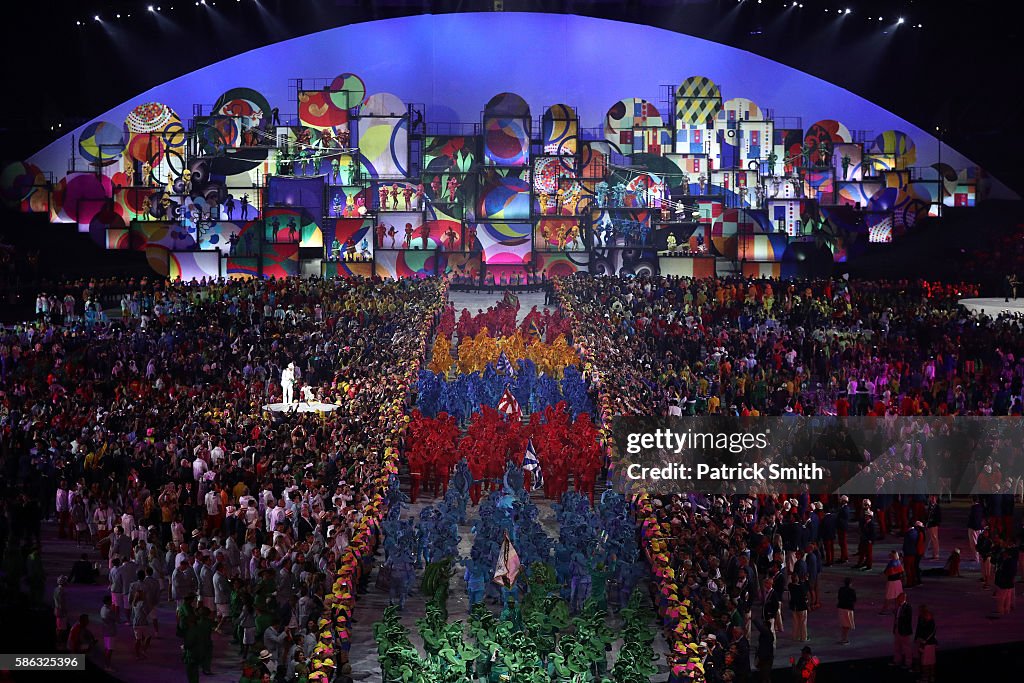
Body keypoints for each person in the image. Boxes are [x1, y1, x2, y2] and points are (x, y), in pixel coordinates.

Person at [914, 605, 937, 683]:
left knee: (926, 663)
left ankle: (925, 679)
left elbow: (929, 634)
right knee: (931, 662)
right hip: (930, 645)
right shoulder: (928, 622)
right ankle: (931, 677)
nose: (925, 616)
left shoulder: (929, 623)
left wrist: (922, 641)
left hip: (927, 645)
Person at [892, 593, 913, 669]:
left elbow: (907, 619)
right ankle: (897, 661)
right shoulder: (898, 607)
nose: (897, 599)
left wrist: (899, 618)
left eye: (899, 598)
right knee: (897, 646)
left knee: (907, 648)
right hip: (898, 629)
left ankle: (908, 663)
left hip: (904, 631)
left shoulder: (908, 607)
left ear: (903, 598)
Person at [788, 573, 809, 641]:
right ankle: (804, 637)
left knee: (795, 622)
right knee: (803, 622)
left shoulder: (790, 586)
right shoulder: (801, 587)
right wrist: (806, 580)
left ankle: (795, 636)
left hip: (794, 607)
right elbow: (805, 592)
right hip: (802, 606)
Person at [836, 577, 855, 645]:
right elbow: (854, 599)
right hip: (848, 609)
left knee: (843, 624)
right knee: (847, 625)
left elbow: (839, 597)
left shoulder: (841, 589)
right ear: (850, 583)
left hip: (841, 608)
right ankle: (845, 639)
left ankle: (843, 638)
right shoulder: (852, 591)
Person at [100, 594, 116, 670]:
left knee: (106, 648)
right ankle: (107, 665)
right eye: (110, 600)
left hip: (105, 631)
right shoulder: (109, 611)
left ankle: (106, 663)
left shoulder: (102, 609)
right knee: (110, 649)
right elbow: (116, 618)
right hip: (110, 631)